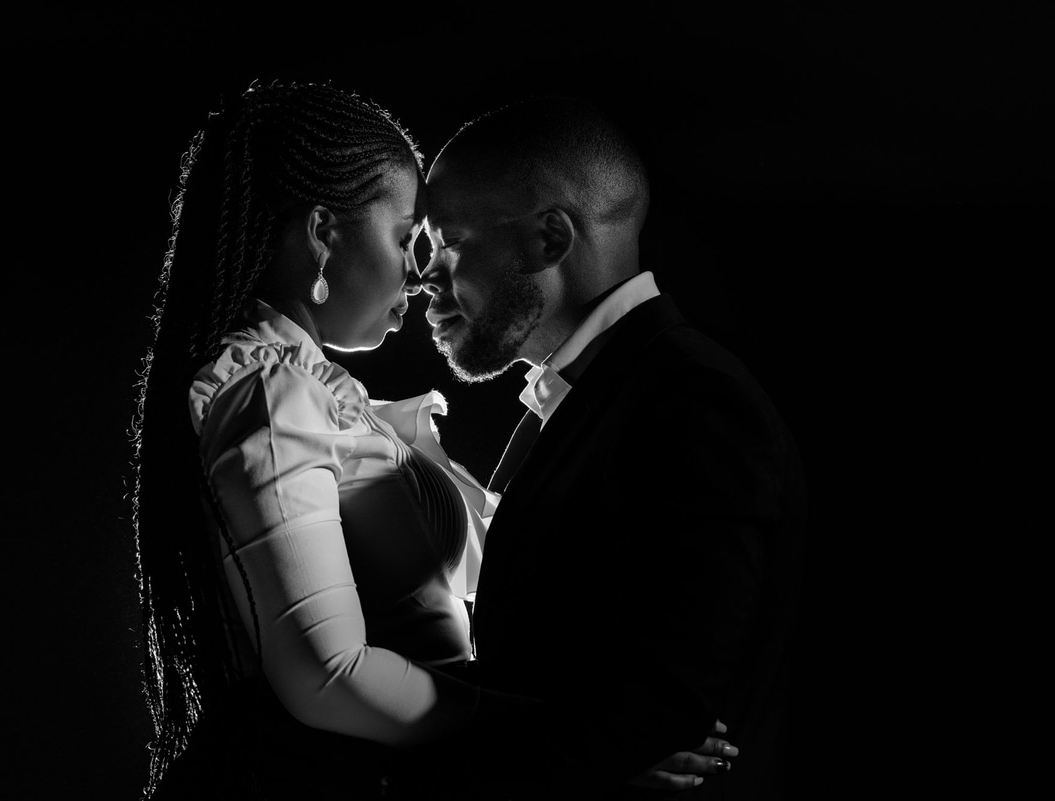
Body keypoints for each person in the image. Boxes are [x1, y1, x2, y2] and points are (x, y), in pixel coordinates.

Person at [130, 81, 733, 801]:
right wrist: (573, 735)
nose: (419, 275)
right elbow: (328, 673)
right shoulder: (270, 390)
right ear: (323, 235)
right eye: (406, 238)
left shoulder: (313, 394)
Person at [419, 96, 808, 799]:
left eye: (447, 241)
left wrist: (392, 777)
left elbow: (663, 714)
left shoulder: (694, 401)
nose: (425, 277)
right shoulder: (597, 393)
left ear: (548, 240)